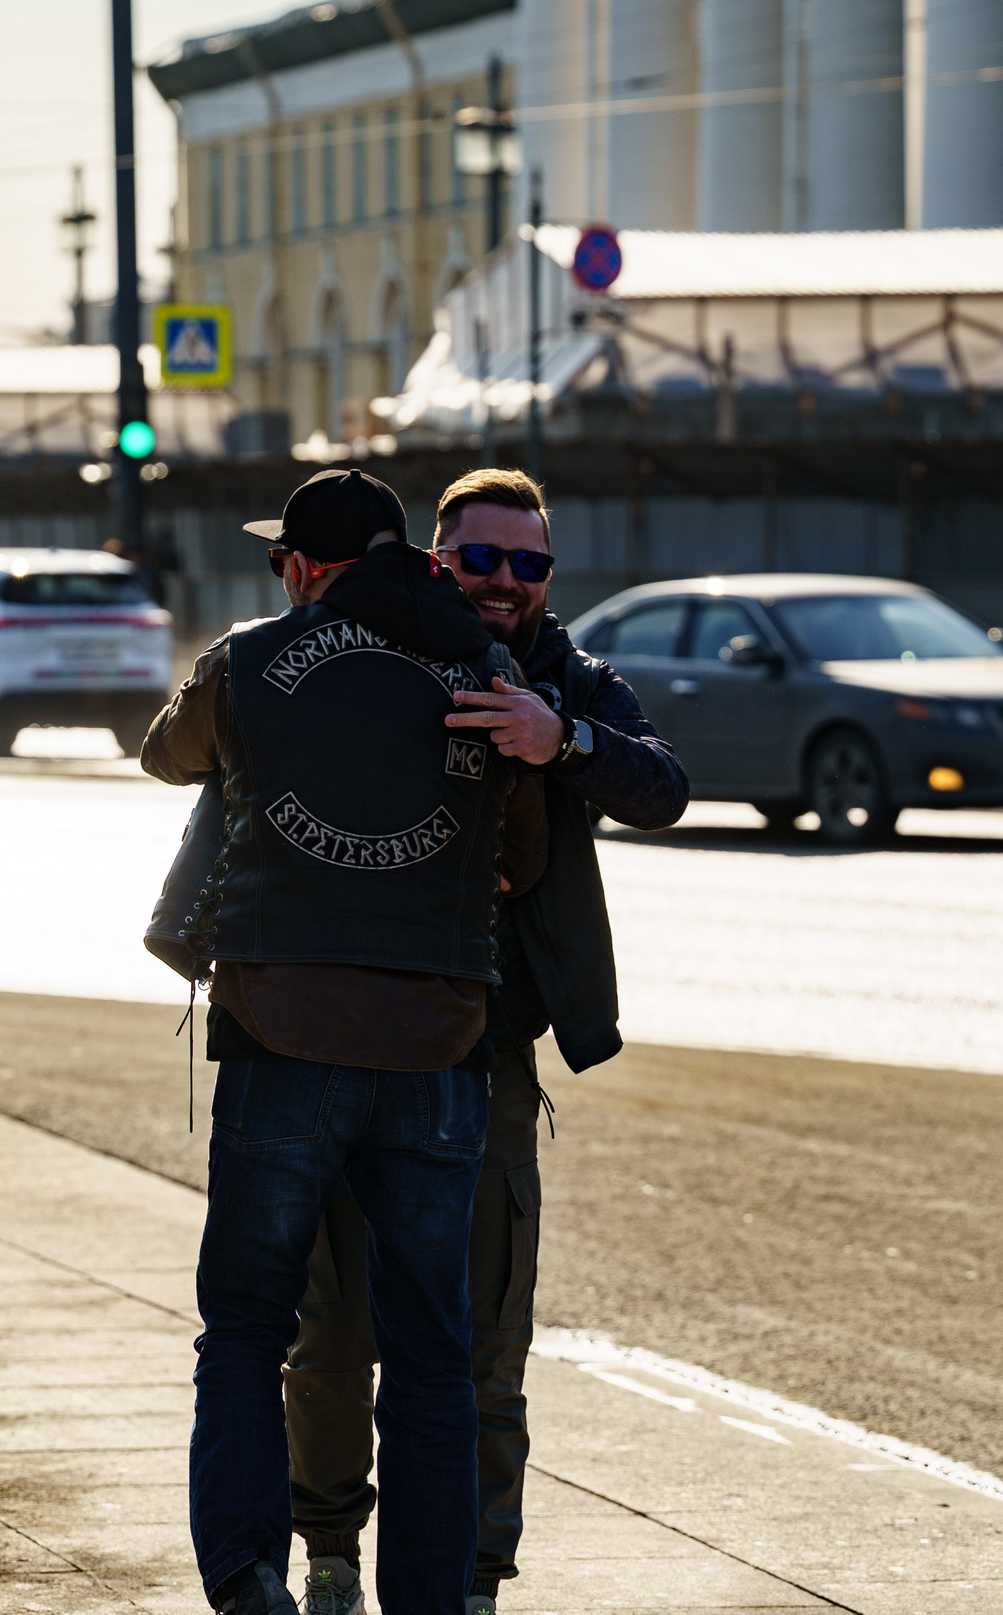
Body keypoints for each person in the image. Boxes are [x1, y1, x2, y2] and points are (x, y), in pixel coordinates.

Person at [283, 468, 689, 1615]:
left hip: (488, 1065)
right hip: (345, 1049)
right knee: (332, 1339)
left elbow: (663, 785)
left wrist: (556, 738)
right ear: (437, 558)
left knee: (480, 1353)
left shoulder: (569, 676)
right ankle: (328, 1559)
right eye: (482, 559)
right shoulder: (364, 649)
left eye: (530, 564)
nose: (506, 582)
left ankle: (471, 1583)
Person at [141, 468, 547, 1615]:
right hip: (437, 1048)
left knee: (248, 1331)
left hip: (283, 1036)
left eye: (284, 562)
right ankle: (429, 1599)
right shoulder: (484, 667)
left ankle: (250, 1580)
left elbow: (166, 755)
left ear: (305, 568)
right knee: (431, 1357)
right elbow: (521, 857)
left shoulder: (251, 659)